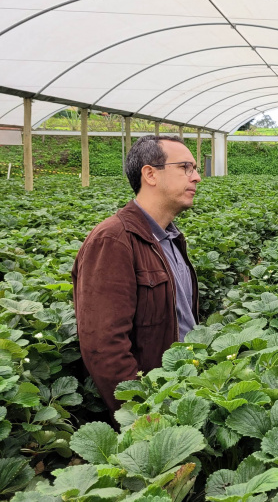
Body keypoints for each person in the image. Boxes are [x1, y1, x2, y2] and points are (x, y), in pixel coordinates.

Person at [72, 135, 201, 414]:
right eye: (186, 168)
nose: (197, 177)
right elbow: (104, 347)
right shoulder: (113, 240)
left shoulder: (170, 238)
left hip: (184, 390)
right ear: (150, 174)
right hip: (154, 406)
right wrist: (142, 414)